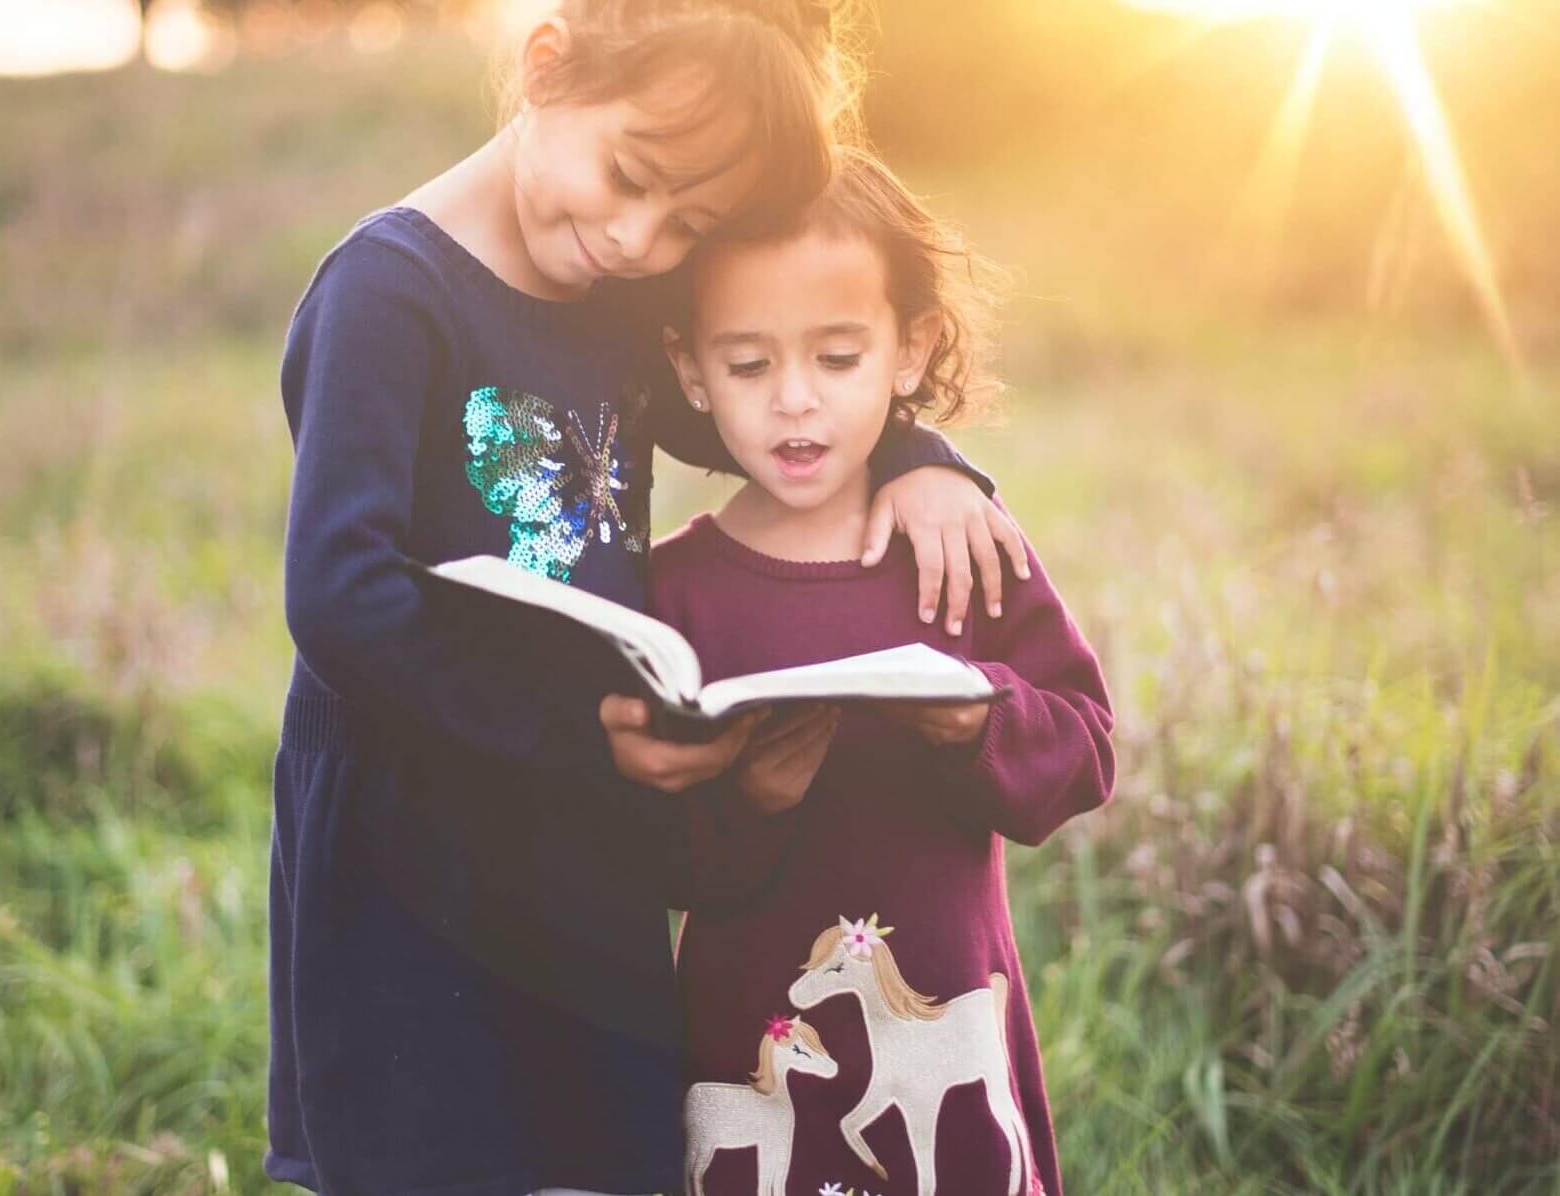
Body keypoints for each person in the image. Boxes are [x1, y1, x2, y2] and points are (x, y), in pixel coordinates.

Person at [269, 5, 1026, 1193]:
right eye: (631, 177)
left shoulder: (621, 300)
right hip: (414, 838)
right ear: (544, 65)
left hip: (582, 840)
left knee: (600, 1146)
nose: (636, 236)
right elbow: (337, 592)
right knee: (436, 1155)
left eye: (688, 223)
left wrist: (922, 462)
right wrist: (579, 732)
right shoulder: (387, 292)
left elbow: (771, 422)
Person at [654, 148, 1116, 1196]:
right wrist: (749, 800)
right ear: (688, 368)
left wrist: (978, 721)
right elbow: (649, 857)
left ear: (908, 350)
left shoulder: (959, 546)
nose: (793, 403)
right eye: (747, 365)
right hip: (750, 1038)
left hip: (945, 1017)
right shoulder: (675, 591)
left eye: (835, 356)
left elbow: (1085, 747)